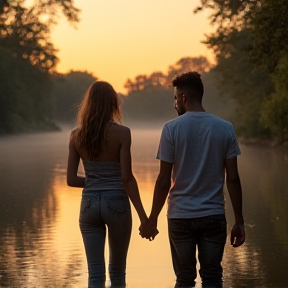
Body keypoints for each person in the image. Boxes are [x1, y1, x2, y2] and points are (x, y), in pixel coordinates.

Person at [140, 72, 245, 288]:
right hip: (214, 215)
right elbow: (233, 179)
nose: (175, 103)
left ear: (184, 97)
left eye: (176, 98)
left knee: (184, 279)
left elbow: (162, 181)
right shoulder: (225, 128)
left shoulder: (171, 129)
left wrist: (152, 219)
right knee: (213, 278)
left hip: (180, 216)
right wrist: (239, 222)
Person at [67, 81, 149, 288]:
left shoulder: (76, 136)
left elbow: (71, 179)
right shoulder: (122, 133)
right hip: (117, 203)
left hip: (89, 205)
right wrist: (144, 217)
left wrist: (95, 182)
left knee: (94, 274)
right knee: (117, 272)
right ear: (112, 103)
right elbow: (126, 178)